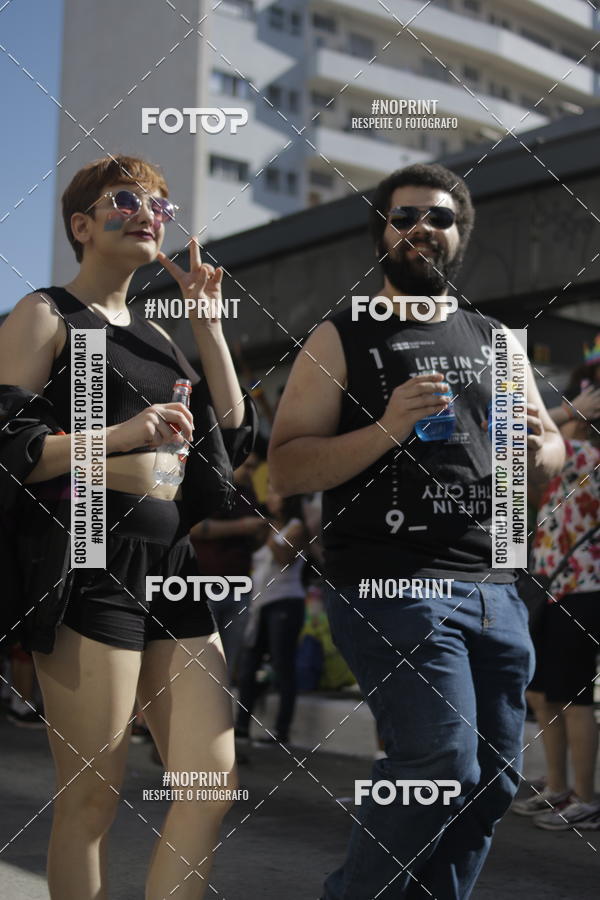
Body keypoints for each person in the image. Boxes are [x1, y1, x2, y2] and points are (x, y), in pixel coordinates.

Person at [268, 162, 565, 898]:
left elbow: (552, 453)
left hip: (495, 586)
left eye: (439, 217)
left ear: (459, 236)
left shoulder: (497, 339)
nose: (421, 229)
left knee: (494, 782)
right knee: (438, 759)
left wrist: (539, 449)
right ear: (382, 233)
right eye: (404, 217)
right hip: (390, 581)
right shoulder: (339, 335)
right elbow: (288, 468)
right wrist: (386, 428)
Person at [0, 154, 256, 900]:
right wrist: (118, 443)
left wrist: (208, 331)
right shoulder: (45, 313)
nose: (148, 212)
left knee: (210, 784)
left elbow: (224, 458)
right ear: (82, 225)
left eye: (159, 204)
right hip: (85, 562)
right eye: (125, 200)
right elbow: (8, 445)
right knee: (93, 795)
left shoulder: (160, 339)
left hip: (171, 564)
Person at [512, 359, 600, 830]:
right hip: (550, 589)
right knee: (543, 694)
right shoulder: (567, 451)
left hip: (582, 591)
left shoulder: (587, 457)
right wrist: (571, 411)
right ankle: (559, 788)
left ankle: (586, 797)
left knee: (574, 697)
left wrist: (566, 413)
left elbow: (519, 438)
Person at [234, 486, 308, 746]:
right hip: (261, 604)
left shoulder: (296, 527)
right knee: (249, 665)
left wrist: (269, 533)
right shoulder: (267, 528)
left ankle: (281, 731)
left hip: (286, 602)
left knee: (282, 665)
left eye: (277, 493)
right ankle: (241, 726)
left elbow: (285, 557)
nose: (271, 498)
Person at [190, 451, 269, 678]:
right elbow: (194, 528)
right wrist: (242, 527)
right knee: (199, 664)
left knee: (227, 666)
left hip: (239, 586)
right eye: (248, 467)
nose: (251, 473)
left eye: (255, 467)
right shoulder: (210, 489)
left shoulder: (249, 494)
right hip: (205, 584)